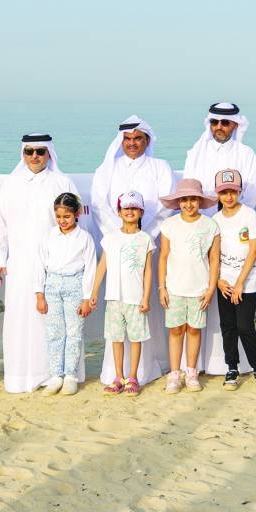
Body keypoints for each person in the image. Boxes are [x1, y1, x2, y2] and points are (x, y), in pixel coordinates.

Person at [91, 115, 175, 386]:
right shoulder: (108, 169)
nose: (132, 143)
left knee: (144, 306)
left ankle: (146, 369)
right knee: (118, 314)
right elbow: (99, 205)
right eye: (127, 139)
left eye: (138, 138)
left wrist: (141, 235)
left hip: (148, 244)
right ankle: (116, 373)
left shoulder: (160, 167)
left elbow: (165, 205)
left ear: (147, 140)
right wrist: (120, 235)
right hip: (116, 246)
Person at [0, 134, 79, 393]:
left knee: (53, 318)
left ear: (49, 153)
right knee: (21, 317)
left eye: (40, 151)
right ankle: (21, 376)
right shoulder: (11, 184)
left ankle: (57, 373)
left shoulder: (62, 182)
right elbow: (1, 224)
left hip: (54, 264)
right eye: (29, 151)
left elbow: (74, 225)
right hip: (19, 262)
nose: (34, 157)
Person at [206, 169, 256, 391]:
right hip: (224, 283)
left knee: (246, 327)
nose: (229, 197)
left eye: (233, 191)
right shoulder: (214, 220)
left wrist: (241, 283)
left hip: (247, 284)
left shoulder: (249, 215)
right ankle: (232, 367)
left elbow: (254, 250)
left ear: (240, 191)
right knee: (228, 327)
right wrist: (218, 281)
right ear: (218, 194)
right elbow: (213, 255)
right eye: (224, 192)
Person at [157, 179, 220, 394]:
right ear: (178, 202)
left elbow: (214, 259)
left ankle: (191, 371)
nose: (188, 204)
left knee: (194, 330)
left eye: (193, 199)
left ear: (200, 201)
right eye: (184, 200)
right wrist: (162, 287)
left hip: (199, 288)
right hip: (174, 287)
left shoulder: (210, 226)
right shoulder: (169, 225)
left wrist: (211, 288)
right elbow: (163, 257)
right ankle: (175, 374)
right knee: (176, 330)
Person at [90, 191, 154, 397]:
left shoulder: (145, 239)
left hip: (135, 298)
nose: (130, 211)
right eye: (126, 208)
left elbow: (148, 271)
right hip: (114, 298)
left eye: (134, 208)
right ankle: (118, 377)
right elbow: (102, 266)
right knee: (116, 338)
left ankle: (133, 377)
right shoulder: (111, 238)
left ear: (141, 212)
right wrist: (94, 291)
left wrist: (145, 297)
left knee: (136, 339)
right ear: (119, 211)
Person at [34, 193, 97, 396]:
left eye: (67, 216)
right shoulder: (49, 236)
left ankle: (70, 375)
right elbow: (39, 265)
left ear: (77, 213)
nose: (62, 221)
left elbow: (90, 269)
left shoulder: (84, 238)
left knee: (74, 331)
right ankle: (56, 376)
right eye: (59, 216)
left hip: (75, 285)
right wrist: (39, 294)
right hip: (52, 285)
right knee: (54, 332)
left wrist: (87, 298)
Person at [182, 103, 256, 213]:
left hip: (236, 219)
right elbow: (189, 190)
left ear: (235, 125)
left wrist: (236, 216)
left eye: (224, 123)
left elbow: (252, 193)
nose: (219, 127)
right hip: (203, 220)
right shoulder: (196, 153)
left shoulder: (246, 153)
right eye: (214, 122)